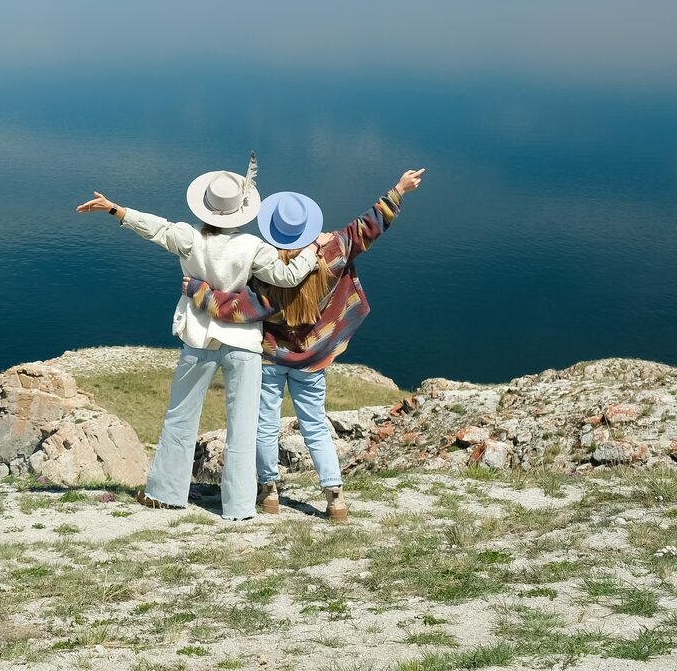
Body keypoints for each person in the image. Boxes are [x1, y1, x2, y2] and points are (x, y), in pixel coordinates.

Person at [76, 154, 320, 520]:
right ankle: (238, 506)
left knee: (181, 415)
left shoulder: (189, 238)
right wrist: (311, 254)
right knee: (243, 424)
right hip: (243, 342)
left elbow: (156, 228)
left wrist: (116, 210)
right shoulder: (253, 246)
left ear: (206, 208)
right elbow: (286, 278)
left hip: (198, 336)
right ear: (241, 210)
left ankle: (165, 494)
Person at [184, 168, 425, 523]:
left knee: (265, 424)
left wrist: (197, 291)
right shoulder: (334, 251)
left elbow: (235, 308)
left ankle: (269, 492)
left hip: (270, 357)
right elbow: (369, 226)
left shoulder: (264, 270)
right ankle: (335, 497)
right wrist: (399, 190)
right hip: (313, 358)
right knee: (314, 423)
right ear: (308, 228)